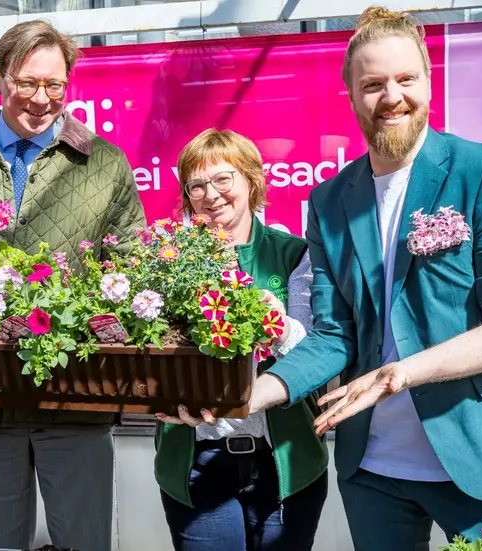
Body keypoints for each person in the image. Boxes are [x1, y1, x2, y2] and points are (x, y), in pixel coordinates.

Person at [243, 6, 482, 550]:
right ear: (351, 96)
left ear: (428, 82)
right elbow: (333, 333)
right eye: (372, 84)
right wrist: (247, 397)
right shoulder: (329, 201)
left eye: (405, 79)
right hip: (374, 468)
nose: (391, 96)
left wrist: (400, 374)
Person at [0, 19, 146, 551]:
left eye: (54, 85)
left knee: (84, 544)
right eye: (27, 83)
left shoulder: (102, 164)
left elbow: (129, 263)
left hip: (76, 398)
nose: (41, 99)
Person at [152, 129, 328, 551]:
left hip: (284, 458)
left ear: (251, 180)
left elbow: (317, 351)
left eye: (223, 179)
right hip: (198, 462)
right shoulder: (166, 262)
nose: (211, 194)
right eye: (197, 185)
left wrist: (279, 324)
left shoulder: (293, 253)